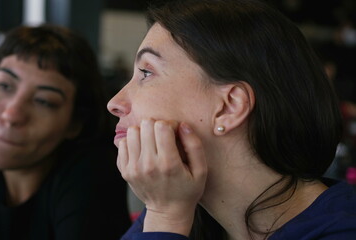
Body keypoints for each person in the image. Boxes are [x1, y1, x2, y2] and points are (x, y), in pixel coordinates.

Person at [107, 0, 356, 239]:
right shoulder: (187, 210)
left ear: (230, 106)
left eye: (146, 72)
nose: (115, 103)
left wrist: (165, 219)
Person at [0, 24, 131, 239]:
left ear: (75, 123)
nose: (11, 114)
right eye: (5, 86)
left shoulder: (90, 177)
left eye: (43, 101)